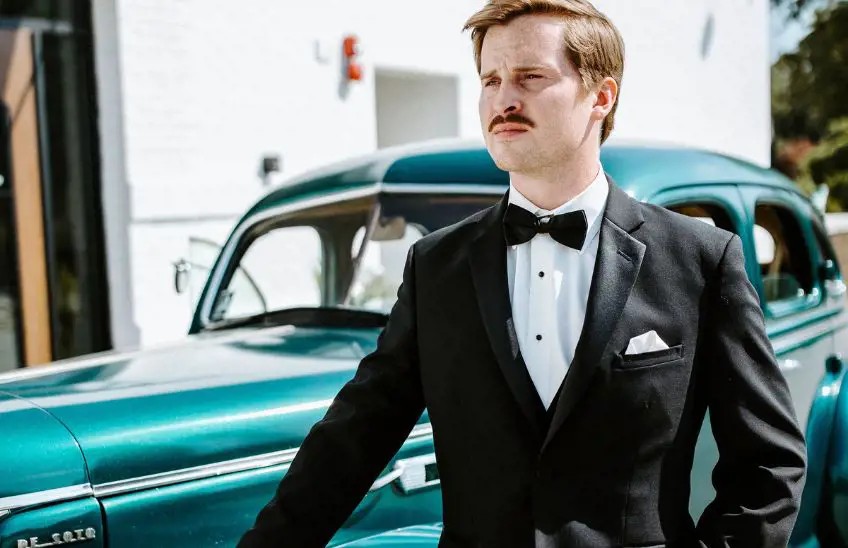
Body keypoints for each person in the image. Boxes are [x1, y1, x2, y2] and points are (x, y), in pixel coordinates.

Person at [238, 1, 807, 546]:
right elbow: (351, 441)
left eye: (531, 77)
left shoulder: (702, 260)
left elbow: (767, 465)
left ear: (600, 96)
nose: (502, 100)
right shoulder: (436, 266)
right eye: (490, 81)